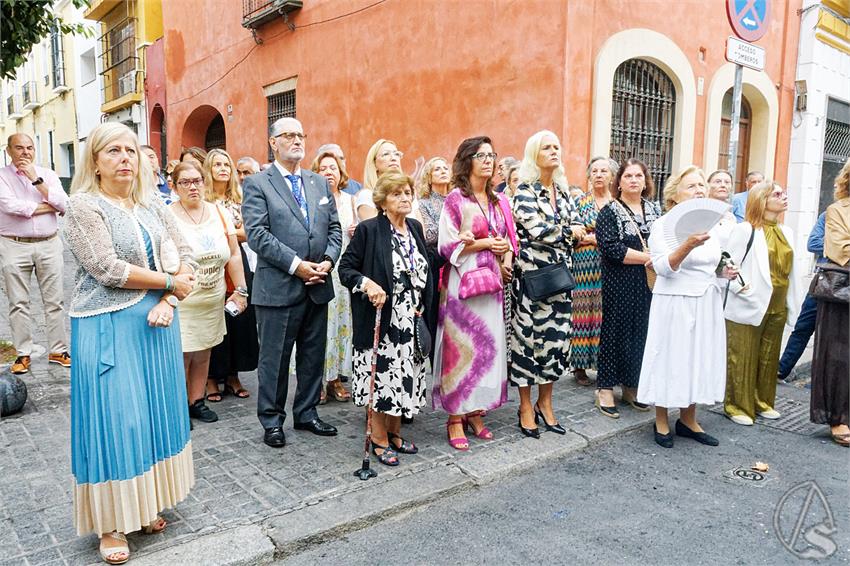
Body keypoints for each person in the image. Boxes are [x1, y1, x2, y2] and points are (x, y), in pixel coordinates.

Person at [63, 123, 197, 564]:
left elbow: (187, 254)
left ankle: (142, 506)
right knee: (116, 420)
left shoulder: (150, 205)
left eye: (130, 151)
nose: (125, 158)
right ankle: (110, 524)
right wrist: (171, 284)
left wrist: (171, 300)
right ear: (95, 163)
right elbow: (107, 269)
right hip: (107, 326)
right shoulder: (83, 206)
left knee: (153, 416)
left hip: (156, 326)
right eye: (113, 151)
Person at [242, 117, 342, 448]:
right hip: (279, 288)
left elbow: (335, 229)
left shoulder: (318, 183)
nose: (297, 140)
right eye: (289, 135)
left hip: (318, 285)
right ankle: (272, 420)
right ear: (273, 143)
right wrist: (298, 266)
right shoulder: (258, 183)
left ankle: (307, 412)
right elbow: (257, 234)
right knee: (275, 360)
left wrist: (327, 261)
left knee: (313, 355)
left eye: (301, 134)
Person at [637, 166, 739, 448]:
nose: (699, 190)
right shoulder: (664, 225)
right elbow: (661, 267)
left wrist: (724, 274)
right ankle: (660, 419)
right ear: (675, 197)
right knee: (670, 358)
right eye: (692, 186)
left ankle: (689, 420)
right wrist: (688, 245)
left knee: (698, 358)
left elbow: (712, 265)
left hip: (706, 301)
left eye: (701, 186)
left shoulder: (713, 227)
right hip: (675, 301)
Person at [338, 171, 432, 465]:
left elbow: (425, 264)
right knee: (381, 381)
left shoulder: (415, 227)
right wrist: (367, 284)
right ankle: (378, 438)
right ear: (382, 201)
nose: (404, 198)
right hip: (382, 319)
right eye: (396, 194)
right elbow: (346, 269)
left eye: (407, 192)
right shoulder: (369, 230)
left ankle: (394, 433)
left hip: (411, 320)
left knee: (404, 379)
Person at [432, 136, 515, 450]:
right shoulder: (455, 199)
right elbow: (445, 245)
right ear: (467, 161)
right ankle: (456, 416)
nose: (488, 160)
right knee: (461, 348)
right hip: (462, 284)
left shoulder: (496, 201)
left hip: (491, 282)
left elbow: (506, 237)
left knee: (487, 348)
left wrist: (502, 248)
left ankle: (476, 411)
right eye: (480, 155)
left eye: (491, 155)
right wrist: (481, 244)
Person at [511, 131, 584, 437]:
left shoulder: (564, 192)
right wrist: (570, 233)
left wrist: (570, 231)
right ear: (534, 154)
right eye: (547, 147)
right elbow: (539, 230)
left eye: (557, 146)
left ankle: (546, 403)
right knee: (528, 341)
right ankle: (525, 406)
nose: (554, 151)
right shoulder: (524, 191)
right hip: (531, 279)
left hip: (560, 278)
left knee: (556, 343)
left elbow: (578, 222)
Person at [170, 160, 248, 424]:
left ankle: (196, 401)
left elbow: (234, 255)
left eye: (197, 181)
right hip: (183, 300)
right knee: (181, 354)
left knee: (204, 351)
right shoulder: (168, 216)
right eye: (185, 182)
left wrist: (240, 290)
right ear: (175, 186)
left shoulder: (219, 213)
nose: (193, 187)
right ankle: (177, 407)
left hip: (212, 297)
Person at [724, 181, 801, 425]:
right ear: (762, 200)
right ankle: (736, 406)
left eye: (783, 193)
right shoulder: (745, 230)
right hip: (750, 300)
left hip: (778, 302)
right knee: (742, 355)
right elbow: (726, 263)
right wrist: (740, 288)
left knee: (768, 357)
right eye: (777, 194)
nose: (783, 197)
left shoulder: (786, 231)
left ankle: (762, 402)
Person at [595, 158, 662, 418]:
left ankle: (632, 386)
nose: (634, 180)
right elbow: (611, 248)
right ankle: (605, 388)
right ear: (619, 182)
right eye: (628, 176)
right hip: (620, 280)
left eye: (638, 176)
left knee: (642, 332)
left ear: (646, 181)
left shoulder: (655, 210)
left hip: (650, 281)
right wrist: (647, 258)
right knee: (615, 330)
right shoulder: (610, 211)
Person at [0, 133, 70, 374]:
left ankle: (58, 350)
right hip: (14, 244)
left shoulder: (47, 175)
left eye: (29, 148)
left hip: (49, 243)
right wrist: (48, 207)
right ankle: (23, 353)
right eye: (19, 148)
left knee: (55, 301)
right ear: (9, 151)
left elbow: (64, 203)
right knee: (18, 302)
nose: (25, 152)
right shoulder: (2, 177)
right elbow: (11, 206)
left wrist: (36, 180)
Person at [203, 149, 258, 403]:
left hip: (238, 261)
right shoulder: (202, 198)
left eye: (227, 164)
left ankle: (234, 375)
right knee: (214, 317)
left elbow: (251, 233)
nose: (223, 168)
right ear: (208, 169)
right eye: (217, 164)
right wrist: (233, 231)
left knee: (238, 318)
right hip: (212, 264)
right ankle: (212, 377)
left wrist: (228, 232)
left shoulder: (241, 198)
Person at [811, 158, 850, 445]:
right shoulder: (837, 210)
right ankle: (838, 417)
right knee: (839, 358)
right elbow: (840, 250)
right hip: (842, 293)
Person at [310, 150, 354, 403]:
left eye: (333, 168)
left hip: (343, 273)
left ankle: (335, 378)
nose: (328, 172)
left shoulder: (350, 201)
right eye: (323, 168)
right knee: (320, 328)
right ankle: (316, 380)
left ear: (341, 173)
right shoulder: (311, 199)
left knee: (341, 327)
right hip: (320, 270)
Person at [570, 156, 617, 386]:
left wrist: (592, 238)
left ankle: (601, 363)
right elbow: (573, 236)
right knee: (581, 311)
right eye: (595, 171)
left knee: (604, 312)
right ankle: (579, 365)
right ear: (589, 175)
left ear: (611, 176)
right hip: (583, 265)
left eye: (604, 171)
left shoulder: (616, 204)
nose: (599, 175)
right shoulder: (579, 202)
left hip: (609, 266)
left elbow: (617, 238)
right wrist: (598, 239)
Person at [776, 211, 826, 381]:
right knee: (803, 327)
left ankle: (826, 382)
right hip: (823, 280)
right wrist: (839, 245)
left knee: (836, 337)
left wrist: (836, 244)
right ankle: (782, 369)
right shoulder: (829, 215)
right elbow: (813, 243)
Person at [416, 157, 451, 356]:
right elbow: (428, 234)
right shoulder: (424, 203)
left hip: (457, 264)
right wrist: (453, 231)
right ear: (429, 177)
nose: (442, 171)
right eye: (437, 169)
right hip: (436, 263)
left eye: (445, 167)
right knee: (436, 318)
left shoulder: (457, 198)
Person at [357, 139, 403, 222]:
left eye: (396, 154)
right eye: (386, 154)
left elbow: (419, 232)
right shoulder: (367, 196)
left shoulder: (407, 195)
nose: (393, 158)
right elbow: (373, 232)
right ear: (374, 163)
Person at [706, 169, 736, 248]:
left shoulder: (731, 218)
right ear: (708, 185)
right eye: (718, 181)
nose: (723, 185)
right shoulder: (701, 212)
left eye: (727, 182)